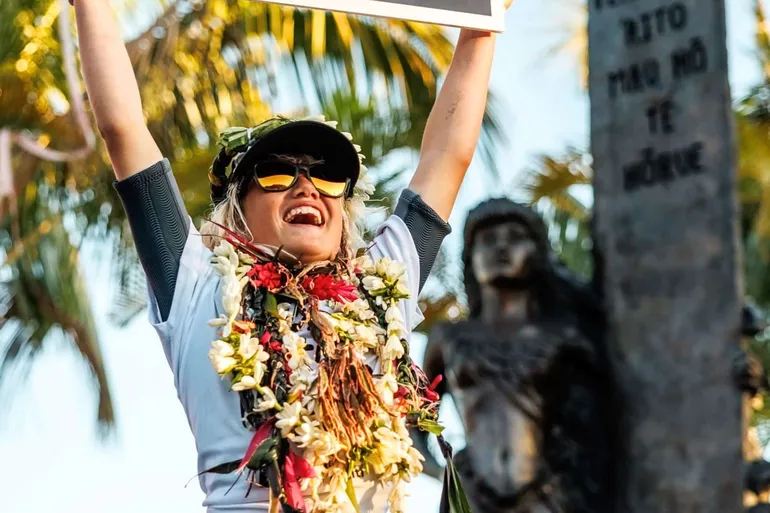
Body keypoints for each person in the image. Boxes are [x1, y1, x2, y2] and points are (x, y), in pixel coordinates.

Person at [72, 0, 512, 511]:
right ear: (239, 205)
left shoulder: (380, 285)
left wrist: (484, 23)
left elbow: (447, 154)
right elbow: (124, 128)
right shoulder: (196, 286)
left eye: (327, 177)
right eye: (278, 173)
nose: (306, 188)